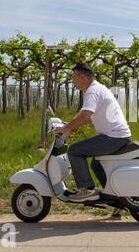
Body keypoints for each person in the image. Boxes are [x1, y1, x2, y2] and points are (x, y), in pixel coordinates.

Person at [54, 61, 131, 203]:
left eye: (74, 78)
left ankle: (87, 190)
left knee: (75, 151)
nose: (73, 82)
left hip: (113, 137)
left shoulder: (92, 91)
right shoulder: (97, 89)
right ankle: (114, 195)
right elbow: (89, 116)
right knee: (97, 164)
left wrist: (66, 128)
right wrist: (70, 125)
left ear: (83, 77)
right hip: (118, 136)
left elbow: (85, 114)